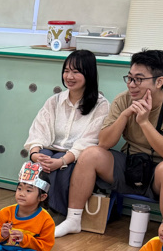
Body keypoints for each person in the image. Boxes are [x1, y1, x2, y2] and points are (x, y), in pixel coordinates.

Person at [56, 49, 163, 238]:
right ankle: (73, 220)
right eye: (129, 78)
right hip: (132, 165)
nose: (131, 85)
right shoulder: (123, 99)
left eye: (139, 79)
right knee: (90, 154)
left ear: (159, 81)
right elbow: (104, 143)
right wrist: (124, 115)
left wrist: (144, 122)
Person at [23, 50, 110, 216]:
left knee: (61, 167)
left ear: (89, 74)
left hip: (78, 157)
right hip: (51, 150)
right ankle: (30, 211)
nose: (69, 76)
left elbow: (89, 141)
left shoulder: (101, 105)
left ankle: (59, 214)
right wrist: (35, 154)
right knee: (38, 162)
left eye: (76, 72)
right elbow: (39, 129)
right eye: (66, 71)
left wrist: (62, 160)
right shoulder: (55, 100)